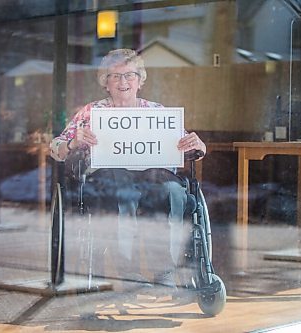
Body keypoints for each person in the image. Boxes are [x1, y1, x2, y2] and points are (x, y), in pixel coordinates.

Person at [49, 48, 206, 291]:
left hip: (153, 177)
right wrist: (73, 141)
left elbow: (189, 146)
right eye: (115, 76)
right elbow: (55, 148)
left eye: (130, 75)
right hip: (109, 177)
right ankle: (128, 270)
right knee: (121, 188)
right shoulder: (92, 112)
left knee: (172, 192)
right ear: (106, 83)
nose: (123, 82)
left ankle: (165, 271)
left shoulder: (157, 112)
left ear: (140, 80)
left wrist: (197, 145)